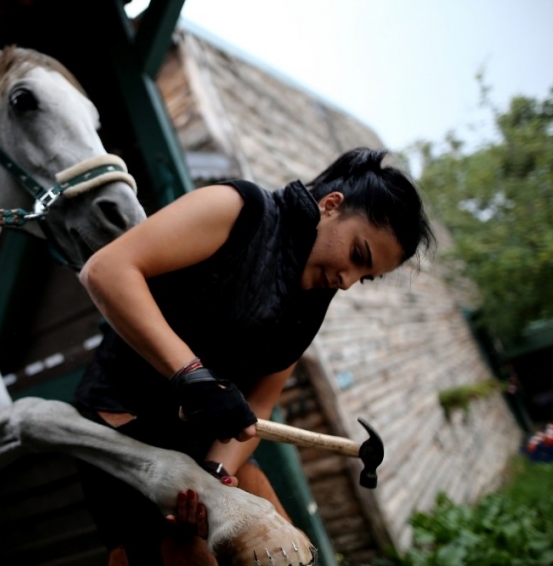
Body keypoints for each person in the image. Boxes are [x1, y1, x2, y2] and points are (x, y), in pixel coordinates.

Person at [72, 147, 435, 565]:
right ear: (332, 206)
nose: (349, 281)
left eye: (365, 278)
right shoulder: (238, 209)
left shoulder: (316, 296)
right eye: (357, 256)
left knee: (290, 556)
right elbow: (107, 270)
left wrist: (215, 476)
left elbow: (260, 403)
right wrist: (192, 375)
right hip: (125, 425)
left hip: (207, 447)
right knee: (180, 555)